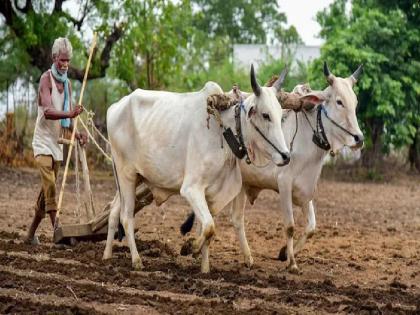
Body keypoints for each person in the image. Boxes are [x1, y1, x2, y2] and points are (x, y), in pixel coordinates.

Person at [25, 37, 87, 245]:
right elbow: (49, 112)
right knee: (50, 184)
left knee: (46, 192)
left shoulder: (68, 84)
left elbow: (67, 124)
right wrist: (70, 113)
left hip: (57, 143)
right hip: (42, 142)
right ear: (54, 58)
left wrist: (76, 134)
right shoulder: (45, 79)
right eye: (62, 60)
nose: (65, 64)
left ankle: (30, 234)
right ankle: (58, 231)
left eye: (68, 60)